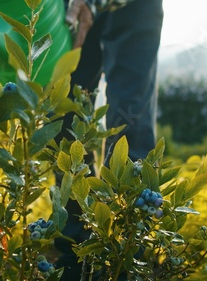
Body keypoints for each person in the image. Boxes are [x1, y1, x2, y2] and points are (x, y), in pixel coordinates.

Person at [54, 0, 164, 279]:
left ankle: (126, 258)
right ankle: (76, 256)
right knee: (66, 112)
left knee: (130, 122)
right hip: (71, 7)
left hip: (134, 7)